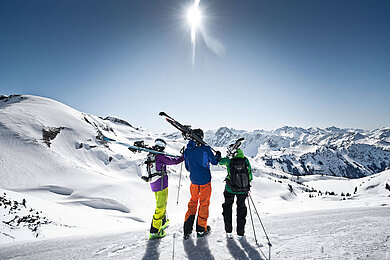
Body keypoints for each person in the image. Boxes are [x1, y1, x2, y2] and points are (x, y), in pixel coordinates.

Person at [141, 138, 184, 239]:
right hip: (161, 185)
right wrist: (183, 157)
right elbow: (174, 162)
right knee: (160, 207)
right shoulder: (160, 156)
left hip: (154, 184)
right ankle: (155, 231)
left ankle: (163, 222)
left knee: (161, 203)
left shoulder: (152, 155)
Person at [183, 129, 221, 239]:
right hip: (205, 181)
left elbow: (187, 167)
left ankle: (187, 229)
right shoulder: (205, 149)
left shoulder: (188, 150)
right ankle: (200, 229)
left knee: (193, 202)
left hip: (194, 181)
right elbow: (214, 161)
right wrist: (218, 155)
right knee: (204, 204)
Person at [219, 148, 253, 240]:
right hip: (243, 190)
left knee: (227, 208)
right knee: (241, 209)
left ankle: (229, 231)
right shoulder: (245, 160)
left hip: (230, 189)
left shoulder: (228, 159)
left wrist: (220, 156)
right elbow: (250, 175)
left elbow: (220, 162)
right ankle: (240, 234)